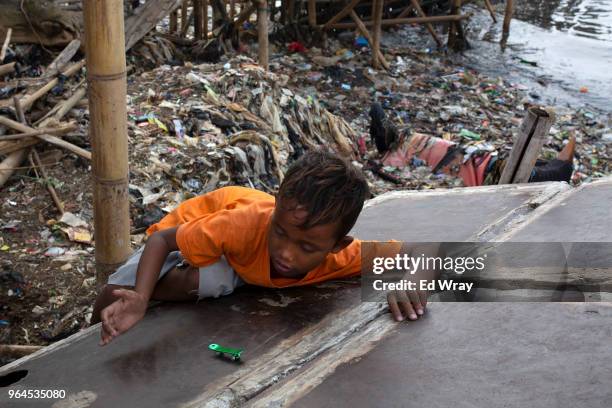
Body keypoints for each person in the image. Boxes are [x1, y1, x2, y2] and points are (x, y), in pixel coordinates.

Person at [92, 149, 426, 346]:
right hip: (193, 230)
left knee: (222, 281)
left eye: (307, 247)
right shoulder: (243, 224)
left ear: (337, 246)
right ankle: (89, 330)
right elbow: (161, 241)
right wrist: (140, 298)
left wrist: (408, 278)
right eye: (280, 232)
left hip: (240, 257)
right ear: (276, 208)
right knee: (116, 295)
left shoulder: (339, 256)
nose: (287, 253)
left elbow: (413, 253)